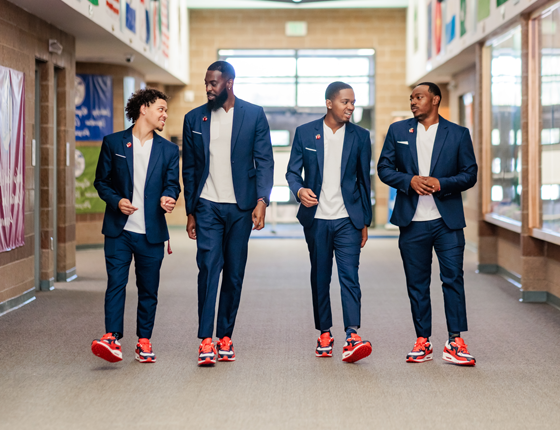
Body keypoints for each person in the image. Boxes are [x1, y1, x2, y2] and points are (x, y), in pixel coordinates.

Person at [377, 82, 478, 366]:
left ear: (434, 100)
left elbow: (470, 174)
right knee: (417, 284)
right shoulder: (399, 131)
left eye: (419, 97)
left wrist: (441, 183)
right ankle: (423, 341)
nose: (413, 102)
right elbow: (384, 168)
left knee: (453, 280)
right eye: (411, 98)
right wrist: (408, 181)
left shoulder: (458, 134)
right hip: (412, 222)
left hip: (447, 222)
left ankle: (455, 340)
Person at [182, 60, 274, 366]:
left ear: (229, 83)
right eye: (206, 83)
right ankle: (206, 340)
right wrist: (191, 211)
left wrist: (262, 200)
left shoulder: (253, 114)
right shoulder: (194, 118)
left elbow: (264, 160)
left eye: (214, 83)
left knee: (234, 274)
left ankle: (225, 337)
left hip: (241, 208)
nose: (208, 88)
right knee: (209, 268)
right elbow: (191, 169)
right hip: (207, 205)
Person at [286, 82, 374, 363]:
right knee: (320, 276)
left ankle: (352, 334)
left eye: (353, 102)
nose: (350, 107)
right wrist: (299, 191)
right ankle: (325, 332)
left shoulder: (360, 136)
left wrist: (364, 221)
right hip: (317, 221)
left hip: (348, 219)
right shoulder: (305, 133)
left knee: (350, 276)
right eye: (345, 102)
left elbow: (364, 180)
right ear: (329, 103)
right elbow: (292, 173)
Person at [90, 89, 180, 364]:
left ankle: (144, 340)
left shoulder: (168, 150)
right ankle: (111, 338)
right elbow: (101, 182)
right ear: (144, 109)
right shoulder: (114, 143)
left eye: (166, 110)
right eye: (161, 109)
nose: (165, 114)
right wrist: (117, 202)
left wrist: (169, 197)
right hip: (119, 230)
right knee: (116, 283)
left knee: (148, 288)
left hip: (151, 232)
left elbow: (172, 184)